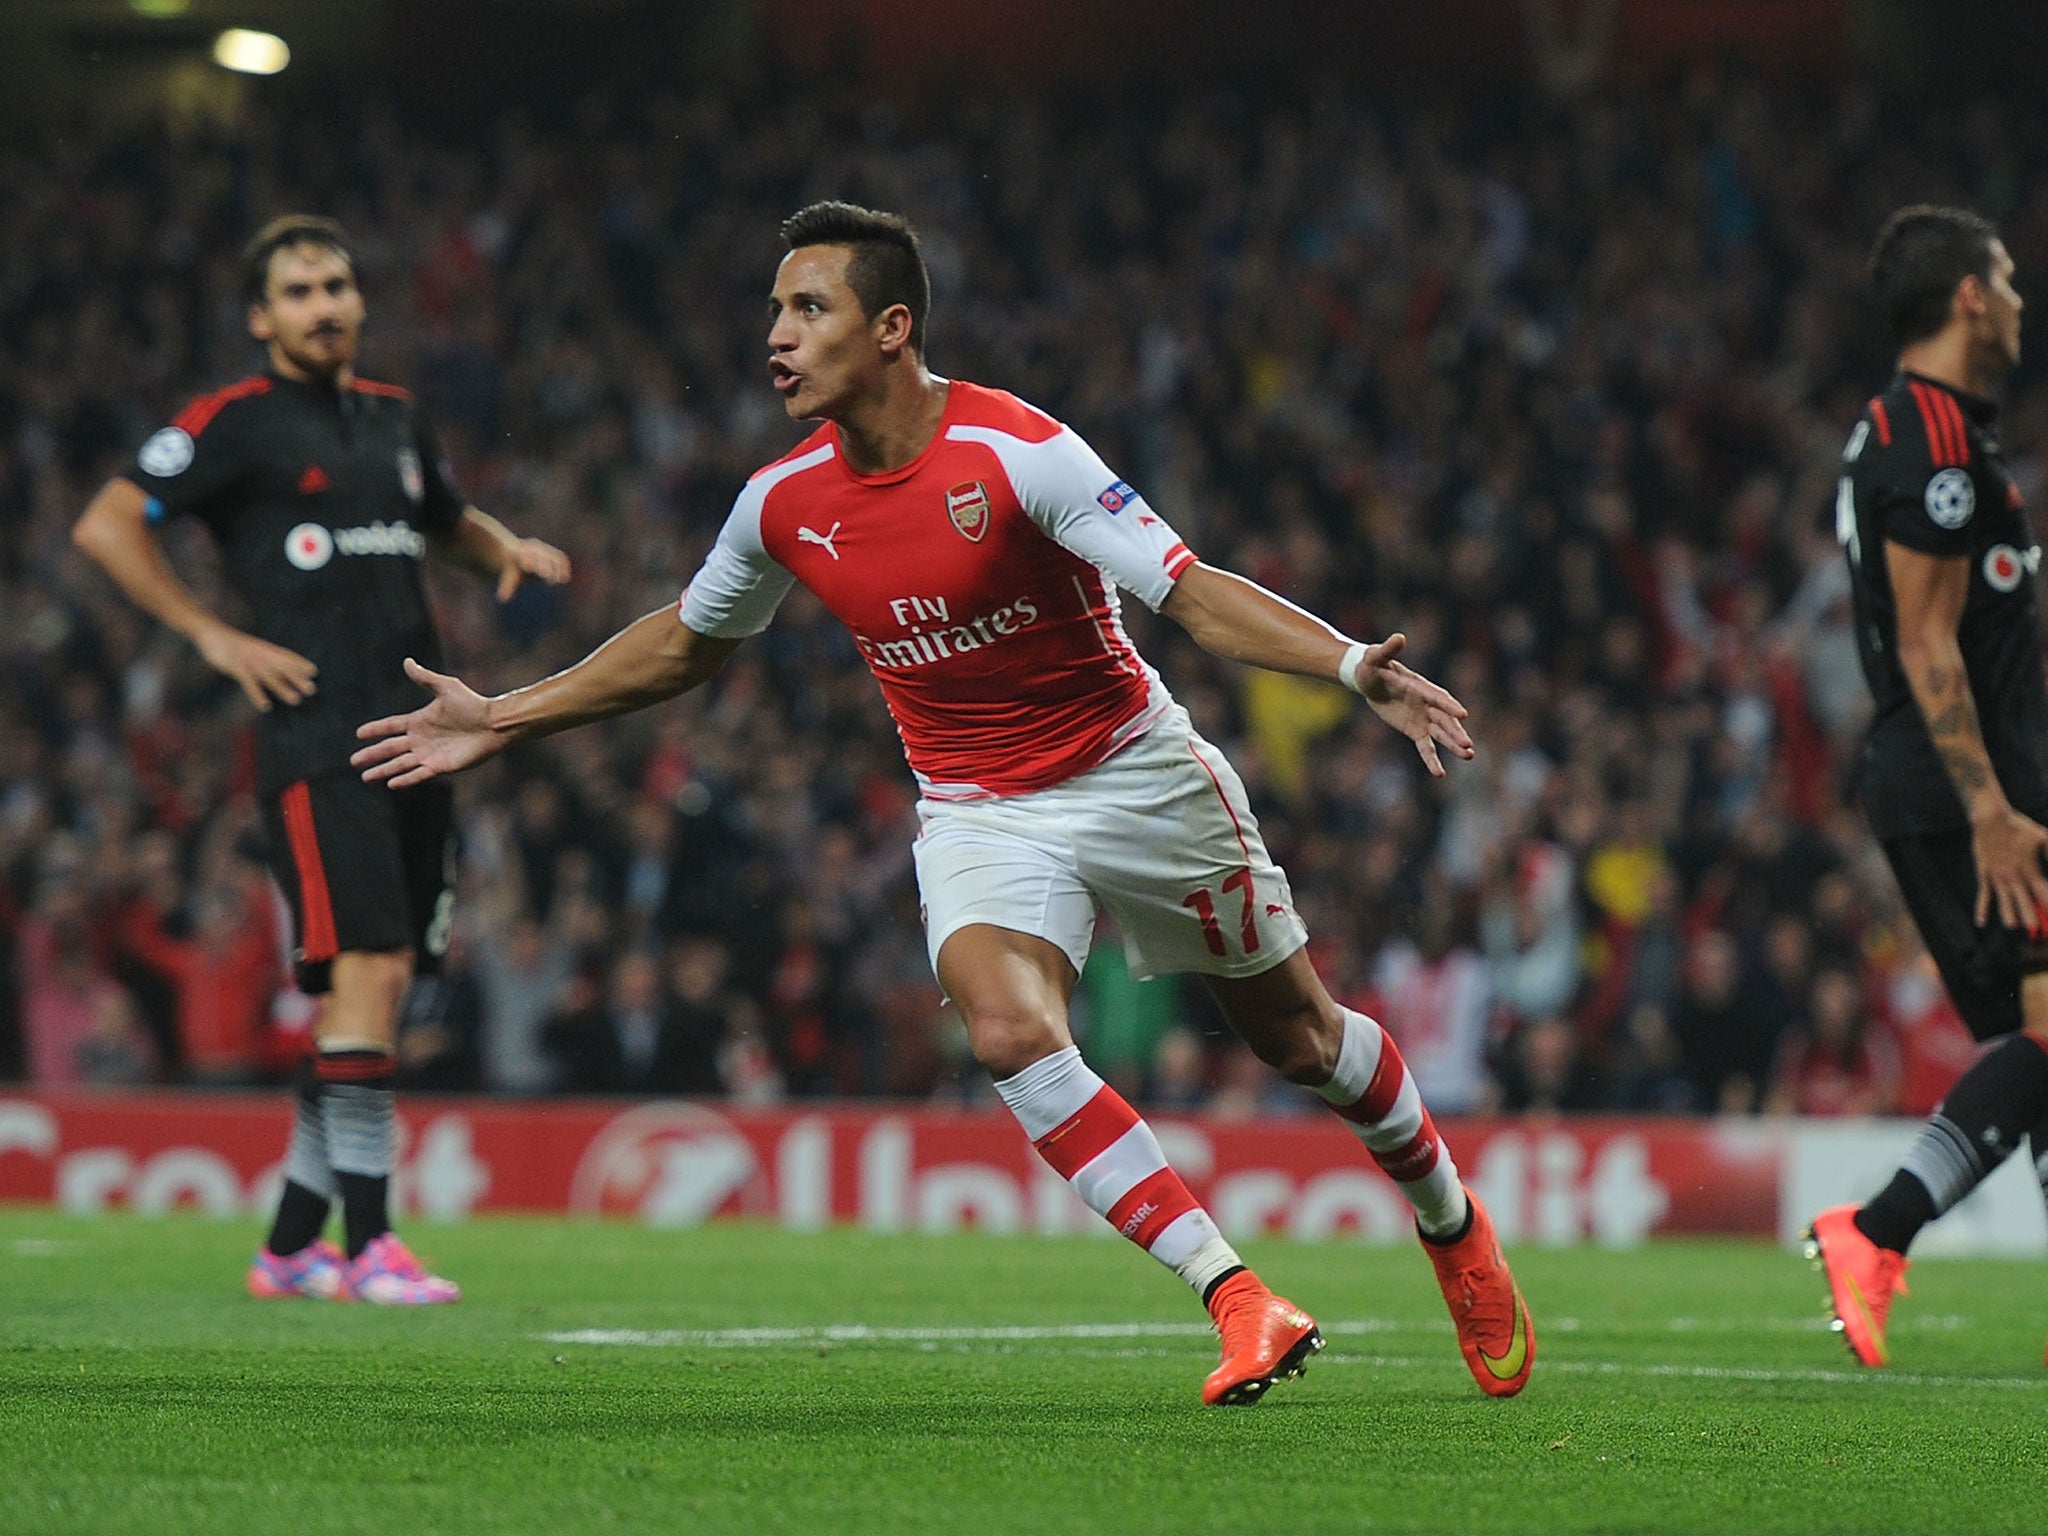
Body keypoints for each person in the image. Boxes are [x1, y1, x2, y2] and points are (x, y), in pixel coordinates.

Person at [353, 201, 1533, 1403]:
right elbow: (683, 644)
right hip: (977, 806)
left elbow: (1189, 594)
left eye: (807, 309)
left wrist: (1345, 665)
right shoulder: (781, 502)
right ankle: (1238, 1298)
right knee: (1009, 1032)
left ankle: (1449, 1222)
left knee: (1300, 1042)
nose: (776, 334)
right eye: (773, 310)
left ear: (890, 328)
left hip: (1134, 772)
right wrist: (502, 714)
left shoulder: (1017, 451)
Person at [72, 214, 571, 1304]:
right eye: (298, 291)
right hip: (318, 740)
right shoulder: (234, 425)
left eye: (338, 284)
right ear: (260, 317)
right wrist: (209, 634)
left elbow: (441, 515)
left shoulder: (394, 419)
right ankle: (370, 1243)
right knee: (371, 974)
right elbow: (108, 523)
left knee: (375, 999)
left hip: (422, 739)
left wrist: (503, 548)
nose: (326, 304)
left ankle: (292, 1242)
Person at [1805, 205, 2046, 1368]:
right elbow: (1926, 638)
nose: (2013, 297)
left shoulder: (1919, 430)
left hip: (1969, 779)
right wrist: (1992, 808)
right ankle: (1875, 1228)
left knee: (2037, 1044)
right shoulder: (1927, 431)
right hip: (1969, 788)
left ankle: (1878, 1232)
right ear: (1963, 296)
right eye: (1999, 278)